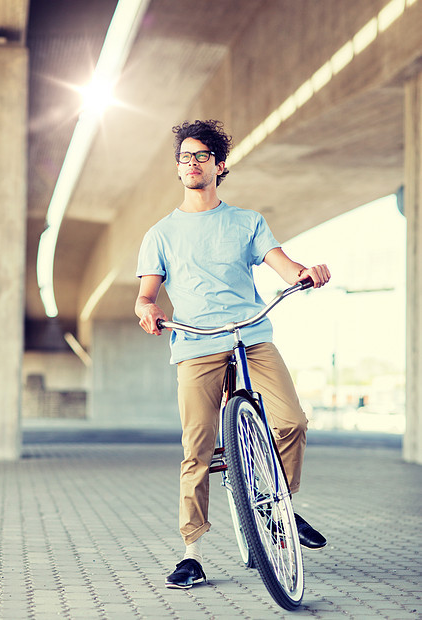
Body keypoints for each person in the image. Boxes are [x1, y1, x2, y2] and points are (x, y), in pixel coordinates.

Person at [135, 119, 331, 590]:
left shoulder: (247, 222)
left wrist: (306, 274)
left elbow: (284, 266)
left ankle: (278, 506)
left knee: (291, 422)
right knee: (197, 448)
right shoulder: (160, 233)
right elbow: (146, 295)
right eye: (184, 157)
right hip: (196, 343)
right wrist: (148, 311)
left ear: (220, 166)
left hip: (251, 336)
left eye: (201, 156)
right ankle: (192, 551)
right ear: (178, 167)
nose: (192, 163)